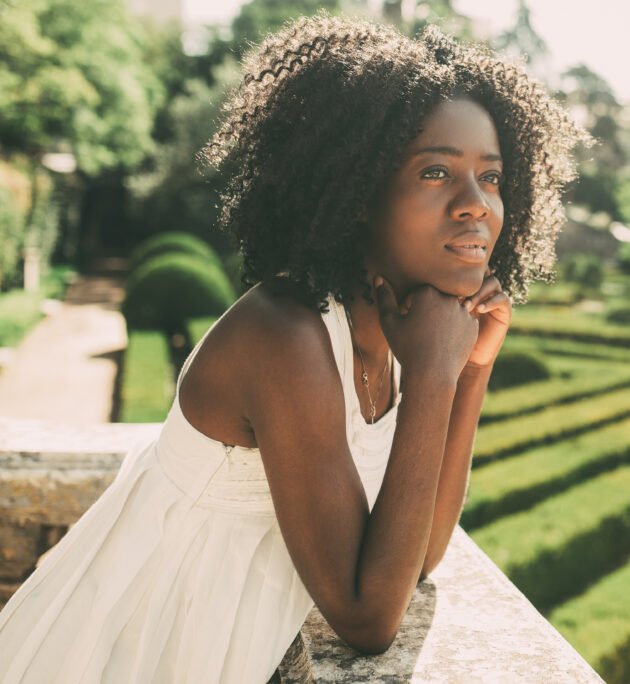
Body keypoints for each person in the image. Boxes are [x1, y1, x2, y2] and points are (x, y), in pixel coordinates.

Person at [0, 15, 585, 683]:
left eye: (493, 178)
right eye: (435, 172)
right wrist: (433, 375)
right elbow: (368, 620)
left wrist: (469, 368)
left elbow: (418, 558)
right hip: (138, 653)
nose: (476, 204)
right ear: (360, 191)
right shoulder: (286, 336)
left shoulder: (394, 324)